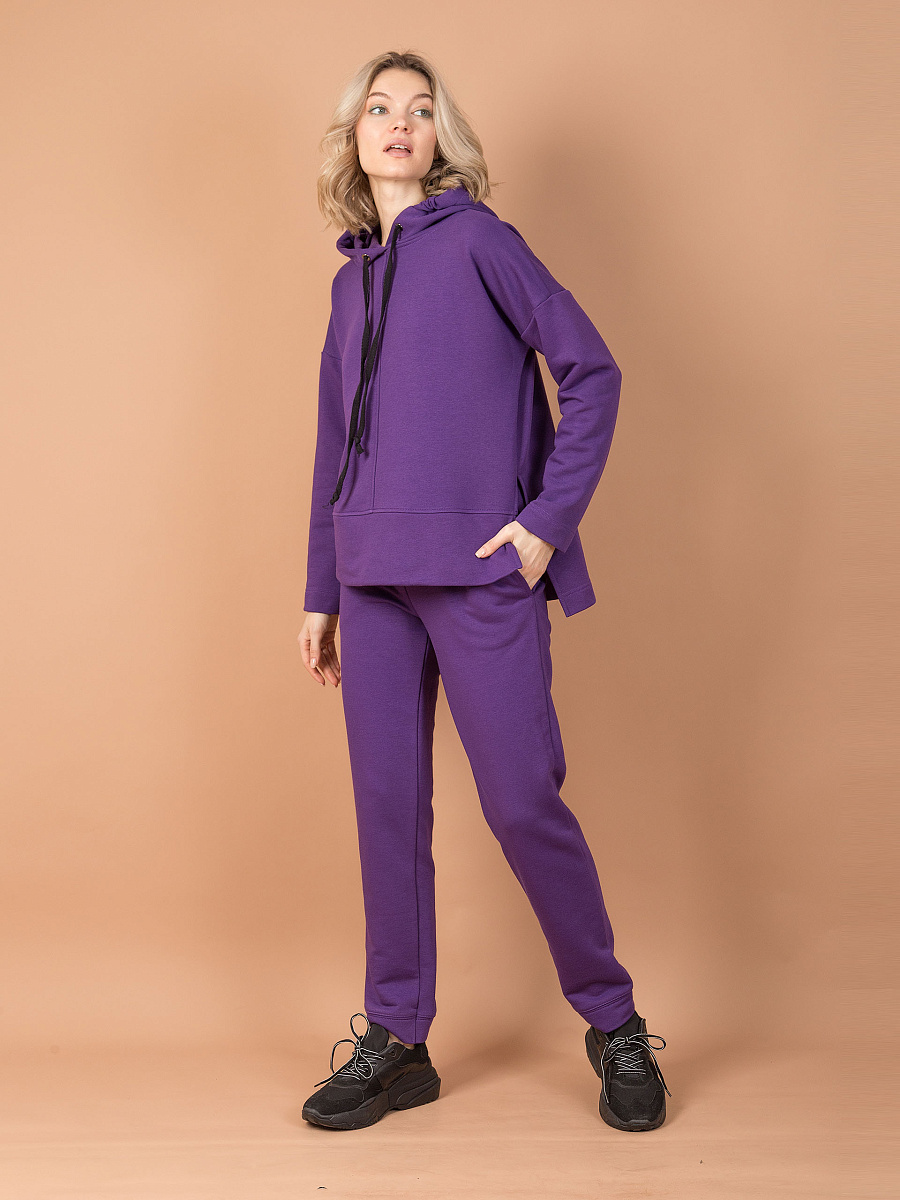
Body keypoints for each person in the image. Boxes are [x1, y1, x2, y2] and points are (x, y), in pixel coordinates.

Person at [297, 49, 670, 1133]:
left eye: (420, 110)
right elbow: (332, 447)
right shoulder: (348, 282)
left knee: (520, 800)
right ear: (355, 138)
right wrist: (320, 589)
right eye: (380, 108)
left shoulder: (482, 244)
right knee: (386, 810)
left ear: (440, 139)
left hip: (479, 570)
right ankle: (398, 1039)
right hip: (370, 579)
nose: (399, 123)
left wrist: (545, 524)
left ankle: (614, 1020)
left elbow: (592, 371)